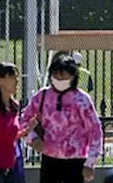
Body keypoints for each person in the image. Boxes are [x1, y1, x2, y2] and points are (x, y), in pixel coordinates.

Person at [19, 54, 102, 183]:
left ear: (73, 76)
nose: (59, 79)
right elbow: (24, 120)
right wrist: (32, 138)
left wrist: (90, 162)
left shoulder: (82, 100)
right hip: (49, 160)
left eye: (63, 75)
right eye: (56, 75)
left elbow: (95, 131)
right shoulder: (42, 96)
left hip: (76, 161)